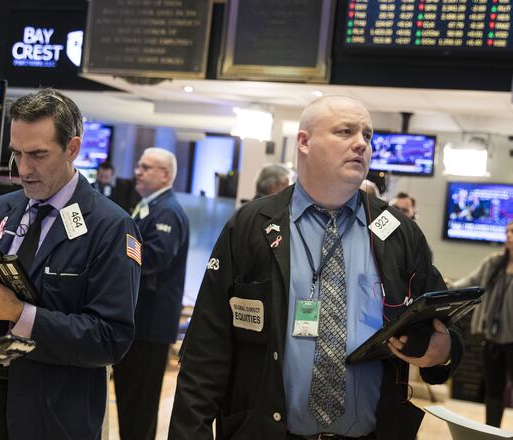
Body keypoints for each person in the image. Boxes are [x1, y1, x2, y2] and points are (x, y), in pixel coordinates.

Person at [169, 96, 461, 440]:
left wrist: (442, 354)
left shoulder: (396, 231)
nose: (361, 144)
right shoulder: (251, 226)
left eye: (367, 135)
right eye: (345, 131)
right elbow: (207, 346)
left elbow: (448, 331)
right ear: (304, 142)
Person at [0, 88, 141, 439]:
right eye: (17, 153)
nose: (24, 169)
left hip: (45, 413)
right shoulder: (1, 210)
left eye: (38, 155)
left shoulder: (109, 226)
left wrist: (19, 315)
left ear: (72, 148)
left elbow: (110, 339)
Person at [114, 148, 189, 440]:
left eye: (146, 167)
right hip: (141, 322)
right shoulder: (149, 205)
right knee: (130, 400)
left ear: (165, 175)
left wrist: (114, 258)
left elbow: (154, 259)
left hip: (150, 325)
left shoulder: (166, 210)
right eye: (139, 165)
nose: (137, 171)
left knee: (140, 404)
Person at [451, 220, 513, 427]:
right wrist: (446, 288)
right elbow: (470, 282)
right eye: (508, 232)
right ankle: (492, 431)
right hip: (492, 339)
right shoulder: (494, 263)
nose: (510, 236)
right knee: (493, 392)